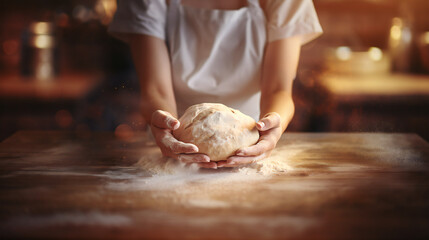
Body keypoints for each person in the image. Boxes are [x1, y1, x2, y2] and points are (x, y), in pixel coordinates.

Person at [109, 0, 322, 169]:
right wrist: (166, 129)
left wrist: (273, 126)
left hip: (251, 145)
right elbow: (155, 90)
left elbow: (279, 89)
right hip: (171, 145)